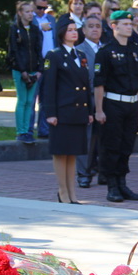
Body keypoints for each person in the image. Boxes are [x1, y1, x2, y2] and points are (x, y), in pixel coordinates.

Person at [94, 10, 138, 202]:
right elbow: (99, 84)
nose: (128, 27)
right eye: (124, 24)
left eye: (130, 24)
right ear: (113, 26)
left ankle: (122, 183)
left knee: (126, 146)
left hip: (131, 105)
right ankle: (112, 185)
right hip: (113, 104)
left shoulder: (134, 49)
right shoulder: (105, 52)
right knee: (111, 146)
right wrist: (99, 110)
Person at [42, 16, 93, 204]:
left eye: (75, 29)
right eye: (70, 29)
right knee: (60, 152)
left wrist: (89, 111)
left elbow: (86, 85)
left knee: (72, 153)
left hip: (78, 111)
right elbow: (49, 86)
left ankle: (72, 193)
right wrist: (50, 113)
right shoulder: (54, 55)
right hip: (62, 111)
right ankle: (62, 192)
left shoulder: (81, 56)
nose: (74, 32)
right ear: (62, 32)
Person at [8, 1, 43, 144]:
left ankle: (28, 130)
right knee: (22, 100)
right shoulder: (14, 29)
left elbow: (38, 50)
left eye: (31, 11)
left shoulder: (35, 30)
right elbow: (13, 51)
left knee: (30, 102)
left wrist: (39, 69)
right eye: (27, 11)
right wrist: (22, 70)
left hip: (34, 69)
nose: (30, 14)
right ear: (20, 13)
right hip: (20, 70)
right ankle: (20, 131)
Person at [75, 15, 104, 188]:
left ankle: (102, 171)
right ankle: (83, 174)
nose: (95, 29)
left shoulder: (106, 49)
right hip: (87, 97)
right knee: (86, 137)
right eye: (91, 26)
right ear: (84, 30)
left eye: (98, 26)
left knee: (103, 138)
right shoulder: (79, 50)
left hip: (105, 98)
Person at [31, 0, 56, 140]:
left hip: (50, 61)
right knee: (32, 98)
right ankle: (27, 130)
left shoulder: (51, 19)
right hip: (35, 62)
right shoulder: (30, 18)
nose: (41, 11)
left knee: (46, 98)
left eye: (44, 8)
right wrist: (40, 26)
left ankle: (44, 130)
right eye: (39, 7)